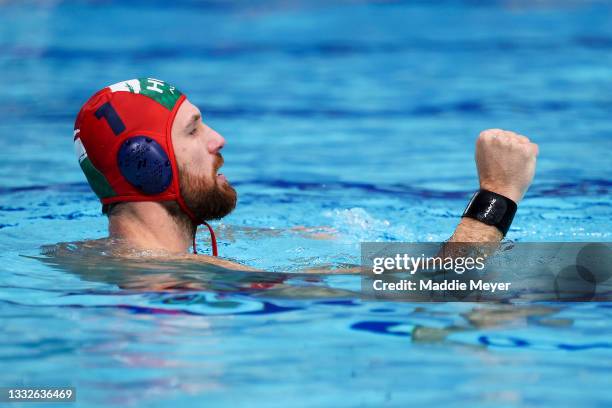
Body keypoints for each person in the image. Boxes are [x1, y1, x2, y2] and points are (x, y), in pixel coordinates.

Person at [72, 78, 538, 272]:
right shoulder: (179, 276)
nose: (218, 139)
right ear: (145, 164)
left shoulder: (99, 256)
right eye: (194, 129)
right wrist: (498, 193)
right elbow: (442, 286)